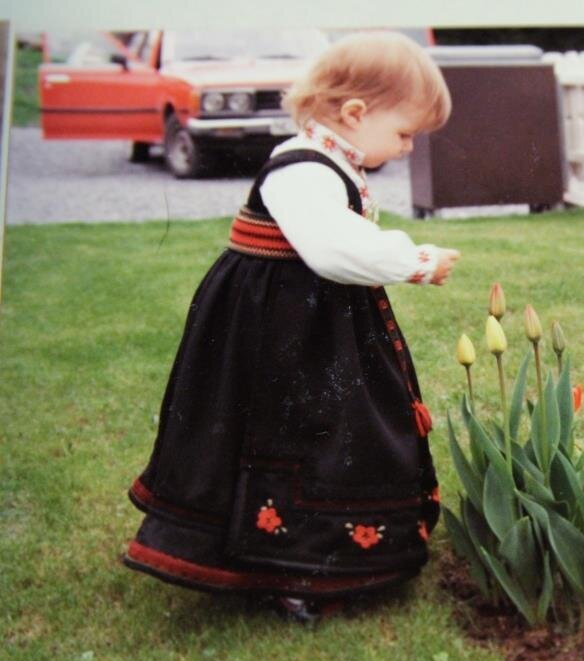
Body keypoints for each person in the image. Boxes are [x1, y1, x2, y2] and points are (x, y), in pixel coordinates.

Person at [122, 32, 459, 623]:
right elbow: (331, 248)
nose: (408, 148)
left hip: (313, 319)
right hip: (281, 330)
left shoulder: (332, 159)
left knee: (338, 425)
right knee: (298, 434)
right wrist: (414, 260)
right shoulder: (301, 168)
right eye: (404, 133)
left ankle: (316, 552)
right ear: (355, 113)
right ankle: (290, 563)